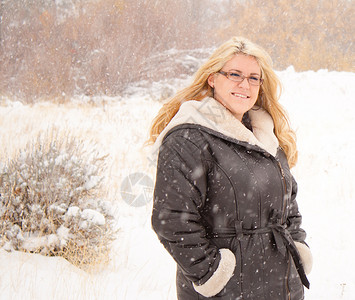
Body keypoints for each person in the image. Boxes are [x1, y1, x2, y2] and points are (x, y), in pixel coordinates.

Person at [148, 37, 313, 299]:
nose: (244, 84)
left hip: (282, 285)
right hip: (228, 290)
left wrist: (297, 245)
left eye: (253, 78)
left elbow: (287, 202)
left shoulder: (265, 134)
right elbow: (171, 219)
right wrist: (212, 274)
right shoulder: (189, 137)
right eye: (234, 74)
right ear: (213, 78)